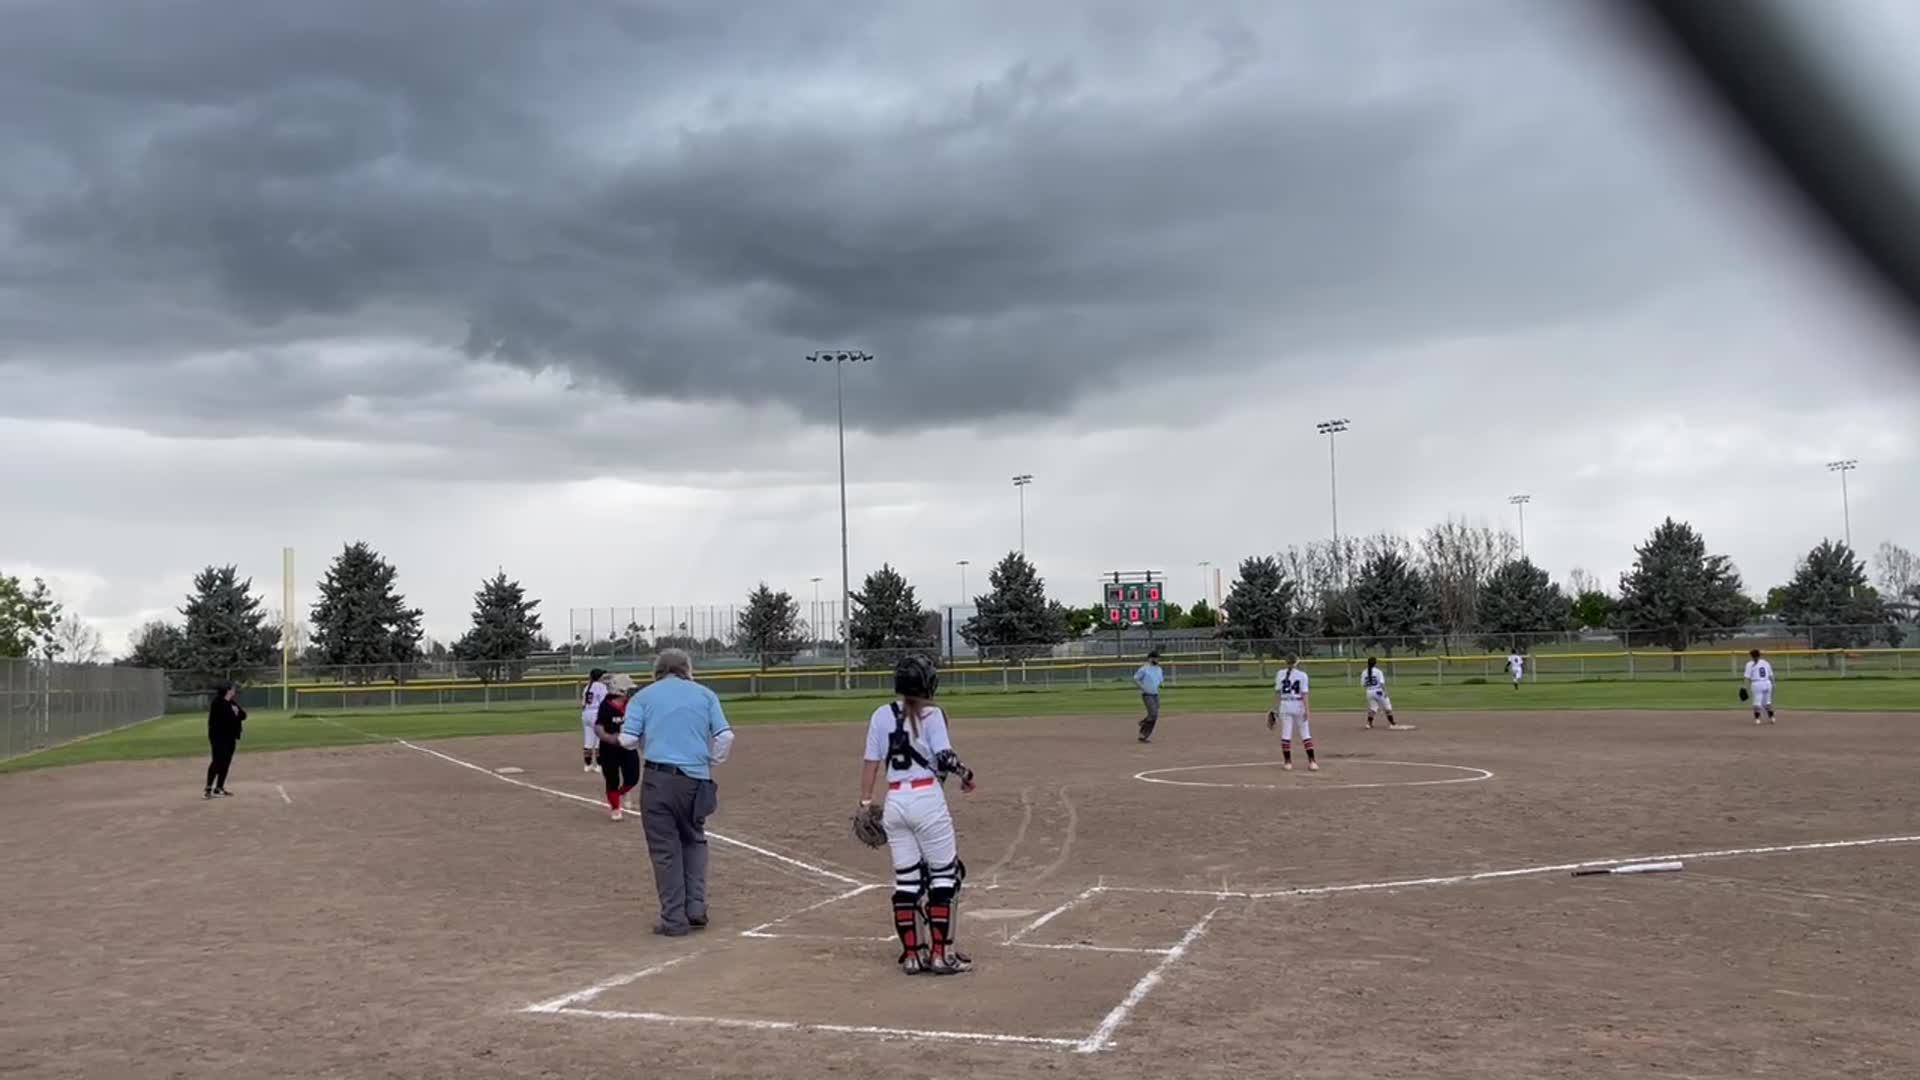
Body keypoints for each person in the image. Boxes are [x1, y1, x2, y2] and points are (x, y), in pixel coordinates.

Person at [859, 654, 976, 975]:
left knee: (907, 881)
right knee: (945, 876)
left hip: (895, 800)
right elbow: (945, 757)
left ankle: (913, 955)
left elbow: (871, 762)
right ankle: (942, 954)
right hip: (927, 798)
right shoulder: (932, 714)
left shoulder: (880, 714)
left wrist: (865, 803)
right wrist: (967, 775)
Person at [618, 649, 733, 936]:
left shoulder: (643, 697)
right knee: (694, 840)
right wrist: (710, 760)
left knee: (664, 850)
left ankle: (673, 919)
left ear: (657, 670)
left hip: (658, 780)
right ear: (687, 669)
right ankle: (695, 908)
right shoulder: (705, 695)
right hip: (696, 780)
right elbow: (725, 736)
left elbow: (628, 740)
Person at [595, 674, 641, 819]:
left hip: (628, 747)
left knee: (633, 778)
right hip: (609, 748)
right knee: (612, 779)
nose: (630, 692)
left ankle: (620, 793)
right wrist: (607, 737)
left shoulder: (632, 705)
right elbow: (599, 726)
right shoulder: (606, 705)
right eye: (628, 689)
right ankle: (615, 807)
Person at [1268, 653, 1317, 771]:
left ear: (1286, 662)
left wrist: (1274, 709)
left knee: (1286, 734)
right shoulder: (1302, 675)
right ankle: (1312, 762)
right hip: (1299, 705)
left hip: (1285, 705)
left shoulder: (1280, 674)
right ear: (1296, 662)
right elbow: (1304, 694)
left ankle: (1288, 763)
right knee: (1305, 734)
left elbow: (1278, 693)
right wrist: (1307, 710)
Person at [205, 684, 246, 798]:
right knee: (217, 761)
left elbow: (243, 715)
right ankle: (208, 789)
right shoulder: (217, 703)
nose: (234, 691)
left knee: (226, 762)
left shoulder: (231, 702)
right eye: (232, 689)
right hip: (218, 737)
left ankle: (219, 787)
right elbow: (225, 719)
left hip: (230, 737)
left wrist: (236, 713)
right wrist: (235, 714)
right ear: (227, 691)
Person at [579, 668, 609, 772]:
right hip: (596, 713)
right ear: (599, 677)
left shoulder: (587, 686)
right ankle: (599, 766)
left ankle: (587, 765)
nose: (603, 677)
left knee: (588, 741)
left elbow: (583, 704)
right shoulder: (601, 686)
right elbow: (604, 702)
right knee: (599, 742)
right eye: (602, 675)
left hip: (586, 713)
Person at [1361, 657, 1402, 730]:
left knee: (1373, 708)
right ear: (1375, 663)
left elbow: (1363, 684)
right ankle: (1392, 723)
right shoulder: (1378, 671)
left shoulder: (1364, 672)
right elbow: (1382, 683)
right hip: (1379, 691)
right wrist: (1385, 691)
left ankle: (1368, 724)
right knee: (1388, 708)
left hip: (1369, 692)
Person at [1133, 650, 1165, 743]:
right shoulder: (1144, 669)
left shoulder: (1159, 669)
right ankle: (1143, 731)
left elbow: (1160, 679)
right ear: (1150, 659)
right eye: (1156, 658)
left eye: (1158, 658)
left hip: (1155, 694)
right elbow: (1135, 679)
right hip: (1147, 694)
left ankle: (1143, 729)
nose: (1158, 660)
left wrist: (1161, 684)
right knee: (1153, 713)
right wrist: (1142, 687)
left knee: (1154, 715)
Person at [1744, 648, 1777, 725]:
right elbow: (1771, 675)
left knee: (1757, 703)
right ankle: (1772, 718)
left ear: (1751, 656)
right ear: (1759, 655)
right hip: (1767, 683)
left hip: (1757, 684)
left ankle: (1757, 719)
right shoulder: (1766, 662)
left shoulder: (1749, 664)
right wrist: (1773, 684)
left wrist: (1744, 687)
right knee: (1767, 702)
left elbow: (1747, 677)